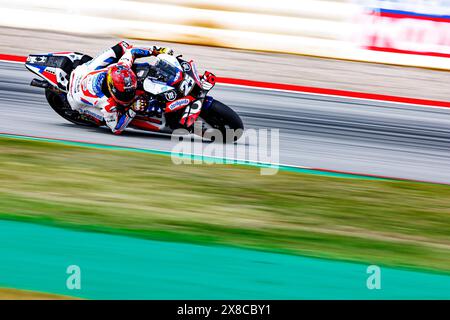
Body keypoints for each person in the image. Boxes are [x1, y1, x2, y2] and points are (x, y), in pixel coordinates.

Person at [67, 41, 173, 134]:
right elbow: (116, 128)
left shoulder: (123, 66)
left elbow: (132, 51)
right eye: (126, 94)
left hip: (84, 72)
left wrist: (156, 51)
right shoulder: (107, 104)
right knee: (103, 120)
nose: (131, 94)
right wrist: (133, 108)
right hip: (75, 96)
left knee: (123, 46)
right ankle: (89, 114)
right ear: (114, 92)